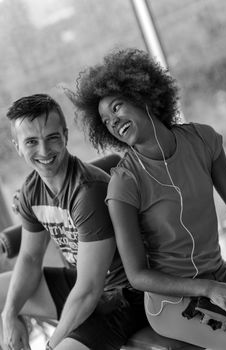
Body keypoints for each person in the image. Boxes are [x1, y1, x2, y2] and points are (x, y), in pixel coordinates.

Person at [70, 48, 226, 349]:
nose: (113, 122)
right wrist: (208, 288)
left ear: (142, 94)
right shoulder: (123, 184)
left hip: (220, 276)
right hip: (172, 303)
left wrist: (215, 284)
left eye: (117, 107)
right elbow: (138, 276)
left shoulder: (202, 140)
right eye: (106, 121)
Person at [0, 93, 149, 350]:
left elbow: (90, 288)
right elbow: (30, 259)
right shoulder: (31, 190)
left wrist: (50, 344)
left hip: (124, 297)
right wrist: (9, 316)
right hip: (80, 282)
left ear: (66, 136)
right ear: (17, 146)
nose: (44, 151)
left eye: (52, 138)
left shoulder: (88, 191)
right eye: (32, 141)